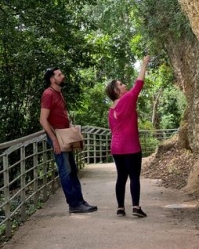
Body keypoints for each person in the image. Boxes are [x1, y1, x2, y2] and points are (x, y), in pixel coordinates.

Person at [39, 67, 98, 213]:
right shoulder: (48, 94)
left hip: (65, 135)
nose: (63, 76)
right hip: (57, 137)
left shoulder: (59, 93)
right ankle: (74, 204)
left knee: (72, 171)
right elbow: (43, 119)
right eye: (59, 75)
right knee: (65, 171)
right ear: (52, 79)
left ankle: (80, 201)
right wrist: (54, 140)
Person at [105, 56, 150, 217]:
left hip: (116, 148)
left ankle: (120, 208)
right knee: (134, 177)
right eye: (121, 84)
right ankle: (136, 208)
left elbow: (112, 130)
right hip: (131, 146)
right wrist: (144, 64)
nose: (125, 85)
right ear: (117, 91)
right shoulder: (128, 99)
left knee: (121, 177)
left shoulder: (111, 109)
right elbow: (139, 83)